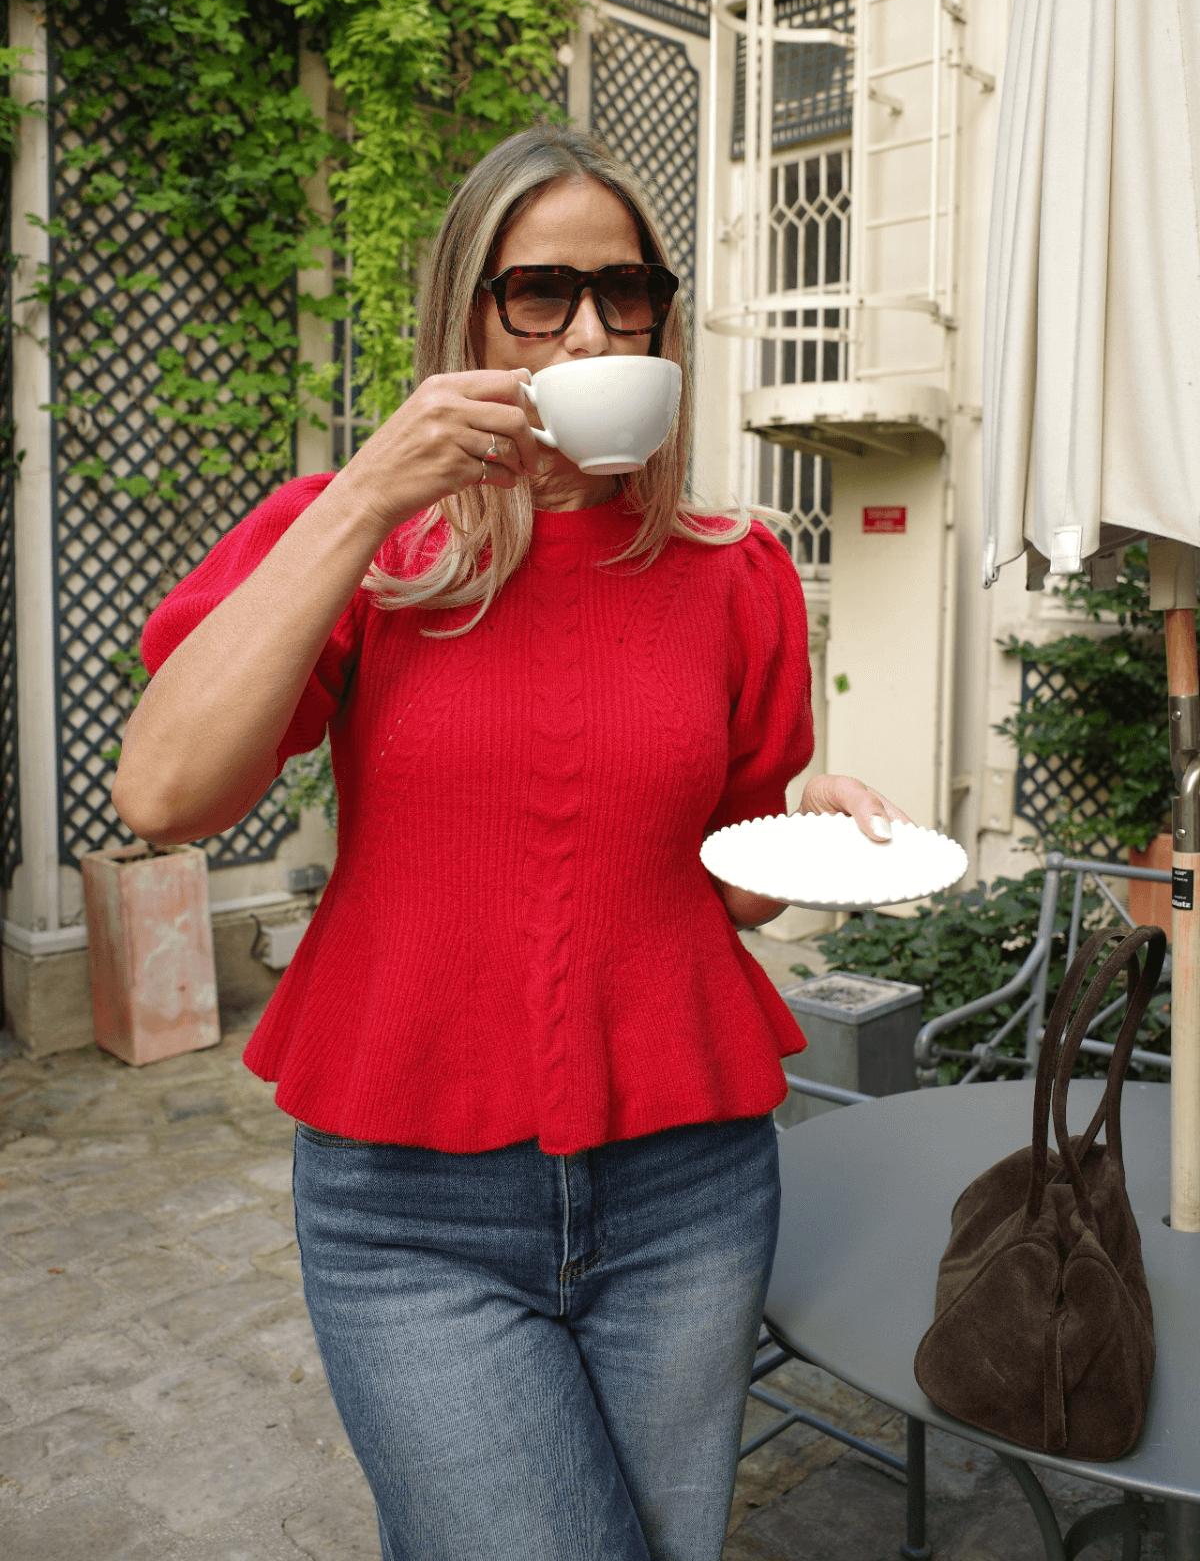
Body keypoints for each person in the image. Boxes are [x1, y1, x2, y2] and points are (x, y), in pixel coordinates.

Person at [114, 124, 908, 1561]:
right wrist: (368, 494)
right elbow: (164, 793)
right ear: (467, 320)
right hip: (407, 1207)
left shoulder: (737, 573)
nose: (591, 331)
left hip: (690, 1187)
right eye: (540, 292)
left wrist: (807, 832)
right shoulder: (357, 544)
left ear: (663, 323)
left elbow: (725, 886)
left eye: (626, 292)